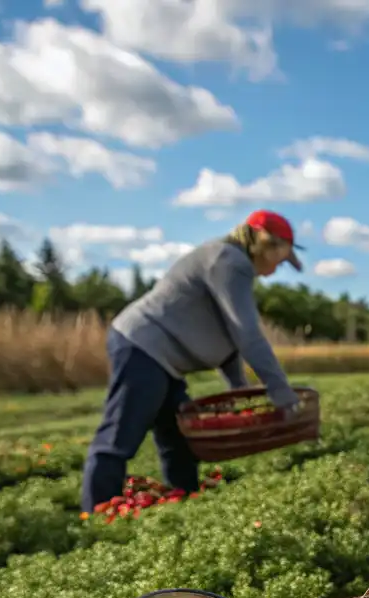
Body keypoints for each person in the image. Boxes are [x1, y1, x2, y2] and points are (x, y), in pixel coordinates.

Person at [81, 210, 305, 512]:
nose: (279, 268)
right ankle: (96, 515)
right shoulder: (229, 262)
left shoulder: (230, 262)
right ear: (265, 244)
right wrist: (280, 392)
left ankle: (184, 506)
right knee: (119, 437)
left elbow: (227, 334)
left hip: (163, 359)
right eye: (282, 257)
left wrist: (239, 390)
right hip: (143, 346)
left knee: (178, 441)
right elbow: (247, 333)